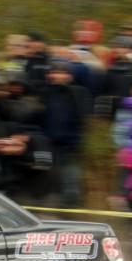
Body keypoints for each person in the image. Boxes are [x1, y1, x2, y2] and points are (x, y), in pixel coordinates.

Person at [41, 62, 92, 206]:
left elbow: (84, 117)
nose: (57, 76)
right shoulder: (44, 92)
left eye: (62, 72)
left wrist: (78, 139)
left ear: (69, 76)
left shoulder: (79, 92)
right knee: (50, 179)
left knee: (71, 181)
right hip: (48, 144)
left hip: (71, 144)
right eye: (54, 72)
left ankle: (72, 209)